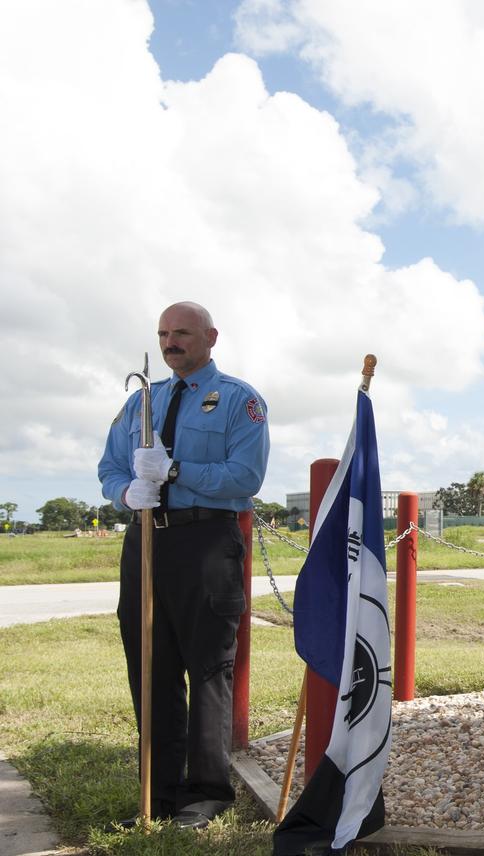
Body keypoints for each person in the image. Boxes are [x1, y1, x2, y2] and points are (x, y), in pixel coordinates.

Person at [98, 301, 270, 828]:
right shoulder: (138, 403)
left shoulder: (239, 400)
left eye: (182, 334)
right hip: (147, 541)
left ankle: (208, 790)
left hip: (205, 542)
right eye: (164, 334)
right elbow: (108, 468)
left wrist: (174, 471)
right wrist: (127, 492)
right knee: (151, 665)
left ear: (210, 337)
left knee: (208, 666)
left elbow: (245, 478)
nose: (171, 343)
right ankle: (161, 791)